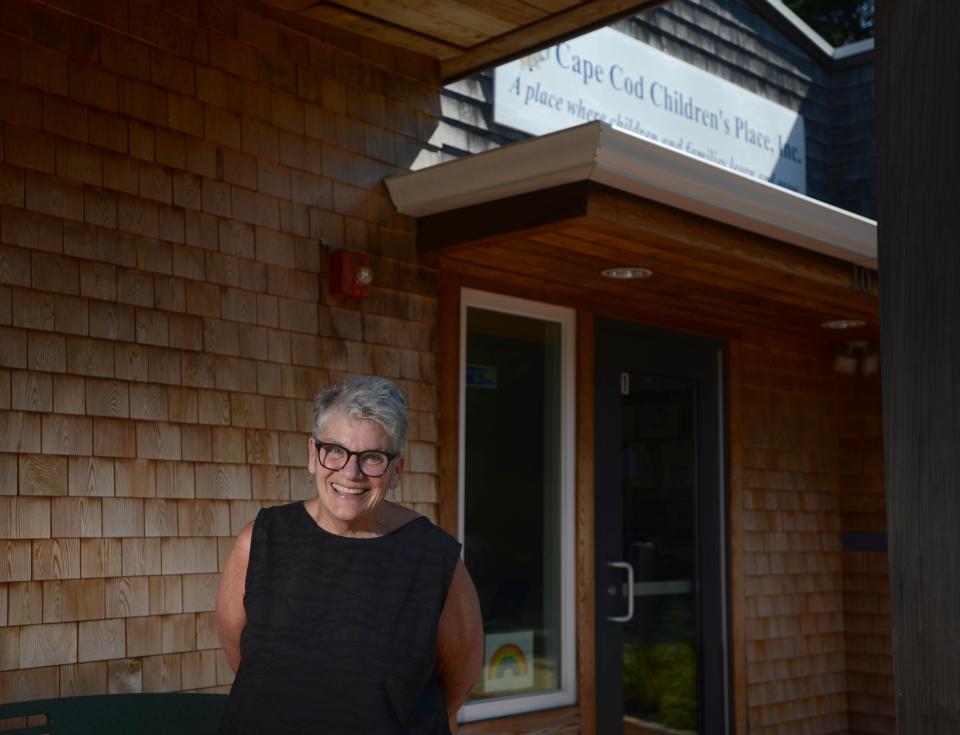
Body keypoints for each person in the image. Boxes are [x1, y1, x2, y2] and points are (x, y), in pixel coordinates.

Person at [217, 376, 484, 734]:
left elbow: (457, 684)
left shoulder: (435, 561)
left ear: (396, 471)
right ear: (313, 455)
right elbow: (245, 660)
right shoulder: (261, 541)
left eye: (372, 457)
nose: (350, 472)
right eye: (335, 451)